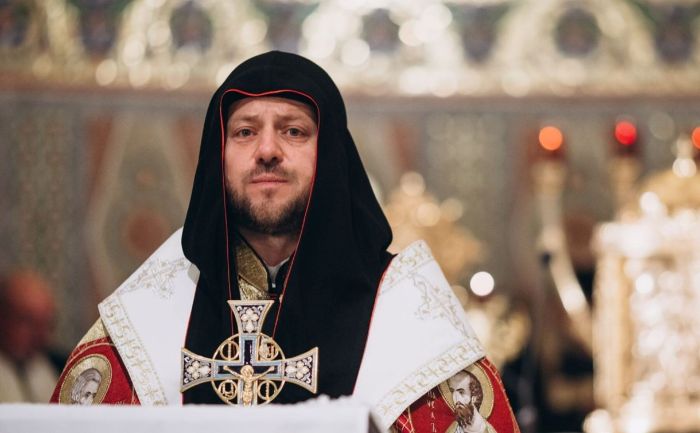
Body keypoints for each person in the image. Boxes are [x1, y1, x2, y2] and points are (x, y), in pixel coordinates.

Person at [51, 51, 519, 432]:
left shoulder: (404, 310)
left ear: (330, 154)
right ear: (218, 155)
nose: (268, 150)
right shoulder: (153, 309)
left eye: (293, 131)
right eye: (244, 131)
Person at [0, 271, 60, 402]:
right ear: (3, 317)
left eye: (45, 324)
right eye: (28, 321)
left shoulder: (56, 365)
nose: (40, 335)